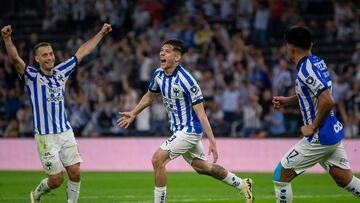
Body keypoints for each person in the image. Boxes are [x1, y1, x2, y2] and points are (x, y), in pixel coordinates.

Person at [118, 39, 254, 203]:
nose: (162, 53)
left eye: (167, 51)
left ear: (177, 57)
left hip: (190, 130)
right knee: (202, 167)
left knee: (157, 160)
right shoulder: (158, 74)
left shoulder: (187, 80)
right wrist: (133, 113)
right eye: (161, 50)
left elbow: (201, 113)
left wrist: (212, 141)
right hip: (178, 130)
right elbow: (149, 96)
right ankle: (242, 184)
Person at [1, 23, 112, 203]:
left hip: (65, 131)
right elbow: (15, 59)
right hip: (45, 137)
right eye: (44, 55)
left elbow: (83, 52)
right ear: (37, 59)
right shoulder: (32, 77)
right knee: (56, 180)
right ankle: (36, 194)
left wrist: (100, 33)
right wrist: (7, 39)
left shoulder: (62, 71)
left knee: (75, 172)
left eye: (51, 53)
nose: (49, 57)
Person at [272, 26, 360, 202]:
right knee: (344, 179)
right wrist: (287, 101)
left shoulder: (306, 70)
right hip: (331, 132)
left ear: (290, 48)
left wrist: (313, 126)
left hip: (319, 136)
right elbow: (312, 94)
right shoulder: (317, 62)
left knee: (280, 175)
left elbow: (327, 100)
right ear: (310, 44)